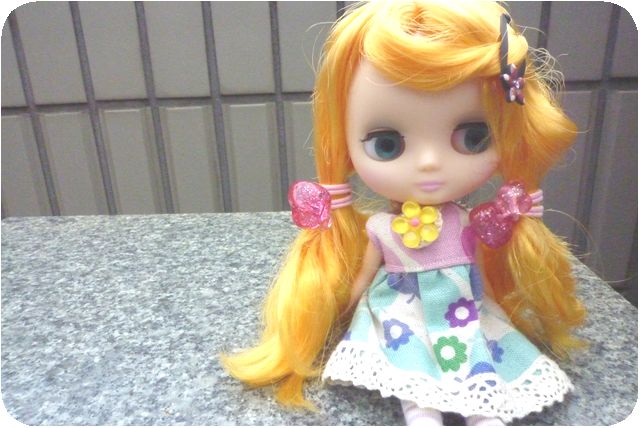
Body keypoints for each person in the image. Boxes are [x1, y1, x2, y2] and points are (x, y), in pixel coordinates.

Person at [221, 1, 586, 425]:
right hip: (401, 316)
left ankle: (483, 411)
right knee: (412, 372)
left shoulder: (466, 222)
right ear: (344, 143)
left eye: (473, 137)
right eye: (387, 144)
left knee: (478, 363)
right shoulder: (381, 228)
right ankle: (421, 411)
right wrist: (340, 311)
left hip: (462, 313)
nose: (429, 163)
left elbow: (482, 269)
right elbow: (362, 279)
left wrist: (492, 300)